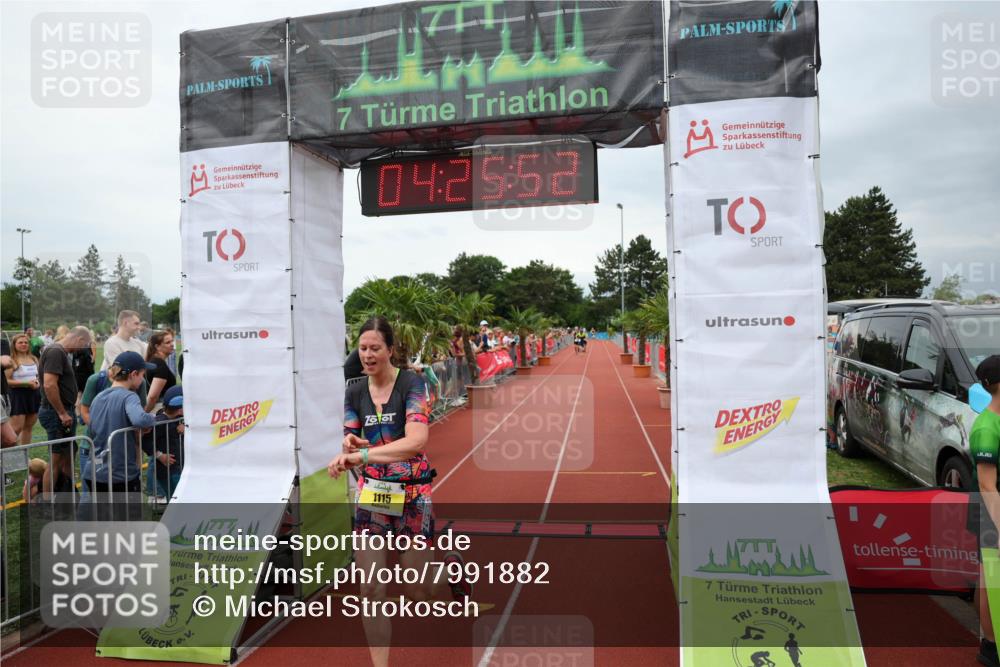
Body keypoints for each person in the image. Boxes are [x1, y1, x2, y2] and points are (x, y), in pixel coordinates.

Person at [327, 316, 471, 667]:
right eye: (362, 348)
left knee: (419, 591)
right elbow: (351, 436)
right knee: (371, 589)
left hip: (411, 494)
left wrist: (360, 454)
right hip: (373, 493)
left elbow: (416, 441)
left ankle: (450, 568)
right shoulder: (354, 390)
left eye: (375, 348)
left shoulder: (413, 384)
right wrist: (352, 442)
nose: (368, 354)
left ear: (391, 350)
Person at [83, 351, 157, 495]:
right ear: (133, 374)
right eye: (142, 375)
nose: (142, 380)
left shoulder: (98, 397)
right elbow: (140, 419)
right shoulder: (130, 397)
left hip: (94, 472)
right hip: (120, 474)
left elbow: (92, 426)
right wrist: (154, 418)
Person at [38, 326, 92, 493]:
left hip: (63, 412)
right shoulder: (56, 352)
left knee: (68, 455)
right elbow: (49, 384)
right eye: (85, 345)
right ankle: (47, 504)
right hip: (56, 413)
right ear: (80, 339)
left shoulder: (60, 352)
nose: (82, 350)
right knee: (55, 460)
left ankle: (68, 496)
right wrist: (62, 413)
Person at [972, 355, 1000, 667]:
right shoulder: (986, 427)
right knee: (991, 579)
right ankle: (990, 645)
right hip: (992, 509)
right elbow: (987, 485)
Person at [141, 385, 184, 501]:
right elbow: (145, 441)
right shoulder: (160, 422)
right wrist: (160, 455)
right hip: (169, 472)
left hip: (177, 469)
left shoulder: (177, 419)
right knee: (178, 500)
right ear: (180, 409)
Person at [5, 333, 41, 445]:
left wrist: (38, 381)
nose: (24, 344)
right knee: (16, 429)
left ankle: (24, 454)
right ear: (14, 345)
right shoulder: (12, 360)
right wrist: (26, 384)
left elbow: (38, 375)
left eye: (26, 342)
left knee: (28, 427)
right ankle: (8, 455)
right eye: (20, 342)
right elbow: (6, 381)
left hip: (33, 395)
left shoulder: (34, 358)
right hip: (17, 396)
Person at [144, 330, 177, 411]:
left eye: (172, 341)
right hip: (157, 410)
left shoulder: (154, 361)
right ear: (157, 346)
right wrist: (144, 413)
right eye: (168, 342)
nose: (172, 344)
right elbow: (153, 397)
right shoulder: (159, 364)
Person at [72, 329, 97, 421]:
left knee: (78, 395)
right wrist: (92, 373)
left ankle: (78, 414)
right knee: (85, 395)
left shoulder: (75, 349)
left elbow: (73, 364)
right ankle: (82, 414)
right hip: (85, 375)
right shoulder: (86, 350)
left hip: (77, 374)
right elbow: (89, 364)